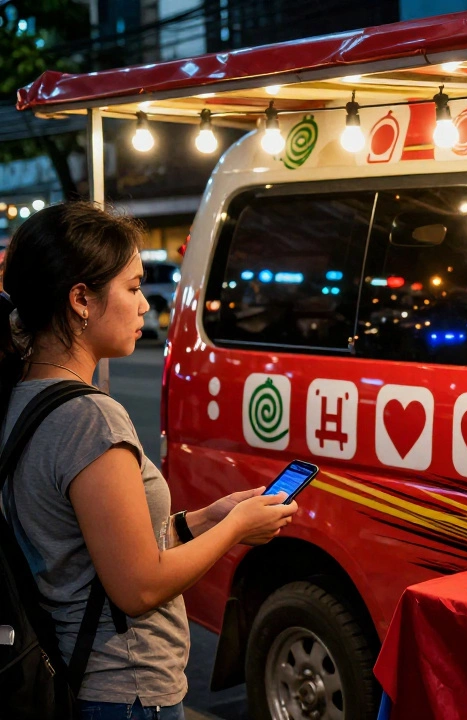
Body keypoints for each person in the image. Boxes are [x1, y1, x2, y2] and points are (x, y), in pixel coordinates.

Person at [0, 203, 298, 720]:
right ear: (81, 300)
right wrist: (236, 532)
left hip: (79, 676)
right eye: (134, 287)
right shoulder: (89, 418)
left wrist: (205, 520)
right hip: (123, 690)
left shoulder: (21, 395)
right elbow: (138, 587)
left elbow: (88, 551)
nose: (145, 307)